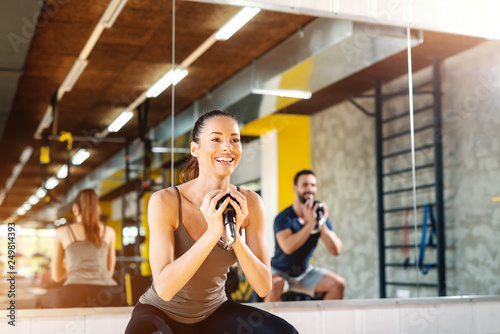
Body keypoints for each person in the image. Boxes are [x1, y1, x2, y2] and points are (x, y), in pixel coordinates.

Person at [125, 110, 298, 334]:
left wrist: (233, 235)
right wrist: (211, 234)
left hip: (214, 313)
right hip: (160, 313)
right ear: (195, 148)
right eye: (216, 139)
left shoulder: (251, 203)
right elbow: (165, 289)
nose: (227, 147)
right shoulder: (165, 201)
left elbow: (264, 286)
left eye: (234, 140)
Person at [264, 170, 345, 302]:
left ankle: (323, 322)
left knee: (338, 285)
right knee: (275, 286)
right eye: (305, 185)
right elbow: (288, 247)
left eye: (313, 185)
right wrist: (309, 225)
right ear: (295, 188)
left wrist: (321, 223)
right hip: (280, 270)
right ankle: (269, 323)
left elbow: (336, 250)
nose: (310, 189)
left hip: (304, 272)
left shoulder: (319, 216)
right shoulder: (283, 218)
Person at [36, 188, 124, 308]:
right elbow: (109, 272)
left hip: (74, 294)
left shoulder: (62, 232)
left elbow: (56, 277)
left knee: (41, 301)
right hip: (107, 294)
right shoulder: (109, 232)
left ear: (75, 208)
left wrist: (67, 265)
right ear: (97, 209)